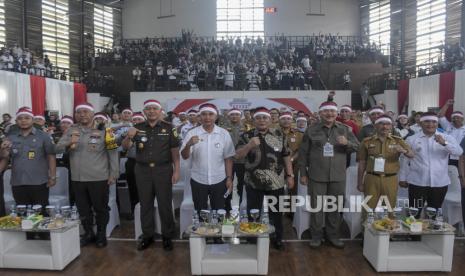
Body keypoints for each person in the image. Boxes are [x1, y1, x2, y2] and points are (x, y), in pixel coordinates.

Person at [56, 103, 119, 248]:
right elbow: (56, 147)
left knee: (101, 208)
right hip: (77, 178)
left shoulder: (106, 130)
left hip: (99, 177)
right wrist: (68, 142)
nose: (82, 114)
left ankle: (101, 234)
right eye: (79, 112)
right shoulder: (72, 130)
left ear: (92, 113)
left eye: (85, 111)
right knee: (83, 208)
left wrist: (113, 174)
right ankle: (89, 232)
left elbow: (113, 153)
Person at [298, 101, 359, 249]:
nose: (329, 114)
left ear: (336, 113)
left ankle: (333, 235)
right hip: (316, 175)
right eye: (326, 111)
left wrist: (347, 144)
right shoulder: (311, 130)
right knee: (316, 207)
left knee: (335, 207)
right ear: (320, 113)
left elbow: (359, 147)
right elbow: (303, 153)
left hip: (338, 175)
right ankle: (316, 236)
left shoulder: (345, 130)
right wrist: (303, 174)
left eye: (332, 111)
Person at [123, 99, 180, 251]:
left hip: (163, 170)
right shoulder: (137, 127)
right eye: (148, 109)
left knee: (165, 204)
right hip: (142, 170)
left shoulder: (170, 128)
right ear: (144, 112)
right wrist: (129, 136)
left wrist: (177, 170)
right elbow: (125, 148)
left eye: (154, 108)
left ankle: (167, 236)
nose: (151, 111)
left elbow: (175, 151)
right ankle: (147, 235)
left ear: (160, 111)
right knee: (145, 203)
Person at [235, 107, 294, 250]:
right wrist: (249, 145)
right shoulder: (246, 136)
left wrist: (290, 175)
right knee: (253, 212)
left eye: (265, 117)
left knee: (276, 213)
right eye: (258, 118)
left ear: (270, 119)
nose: (262, 120)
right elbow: (237, 156)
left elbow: (286, 156)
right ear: (254, 120)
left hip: (276, 182)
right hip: (253, 182)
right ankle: (253, 238)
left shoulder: (280, 135)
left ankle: (277, 238)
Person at [399, 112, 463, 217]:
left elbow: (459, 152)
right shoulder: (412, 139)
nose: (430, 124)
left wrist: (444, 143)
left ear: (437, 123)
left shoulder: (446, 138)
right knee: (414, 213)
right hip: (418, 183)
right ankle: (414, 233)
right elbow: (405, 160)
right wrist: (402, 178)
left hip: (439, 183)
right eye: (427, 121)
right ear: (420, 123)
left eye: (434, 122)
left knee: (433, 214)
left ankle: (430, 233)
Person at [180, 103, 235, 212]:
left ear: (216, 116)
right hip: (198, 180)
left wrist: (229, 178)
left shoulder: (224, 134)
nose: (207, 117)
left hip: (219, 180)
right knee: (201, 213)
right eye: (204, 114)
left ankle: (218, 229)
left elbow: (228, 158)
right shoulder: (192, 133)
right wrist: (188, 145)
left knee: (219, 212)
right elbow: (184, 156)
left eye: (211, 114)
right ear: (199, 117)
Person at [0, 107, 56, 211]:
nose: (23, 120)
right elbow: (5, 156)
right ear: (16, 121)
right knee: (22, 215)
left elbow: (51, 156)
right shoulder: (11, 137)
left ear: (32, 120)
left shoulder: (43, 136)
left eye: (27, 118)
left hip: (39, 182)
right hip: (18, 182)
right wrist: (3, 149)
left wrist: (53, 176)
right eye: (20, 118)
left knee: (41, 215)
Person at [357, 115, 414, 215]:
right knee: (368, 209)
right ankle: (365, 230)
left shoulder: (398, 140)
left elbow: (412, 155)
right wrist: (360, 182)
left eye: (388, 124)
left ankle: (388, 229)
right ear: (375, 126)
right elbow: (362, 163)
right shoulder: (366, 142)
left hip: (390, 179)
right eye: (381, 124)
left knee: (389, 210)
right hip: (372, 178)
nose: (385, 127)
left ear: (391, 126)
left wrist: (403, 150)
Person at [223, 108, 247, 207]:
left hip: (242, 161)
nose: (234, 116)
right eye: (232, 115)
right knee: (227, 183)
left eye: (237, 114)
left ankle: (241, 204)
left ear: (240, 116)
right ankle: (227, 205)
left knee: (241, 184)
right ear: (229, 116)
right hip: (228, 160)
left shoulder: (246, 127)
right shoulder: (223, 128)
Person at [279, 111, 303, 198]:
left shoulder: (299, 134)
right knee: (278, 189)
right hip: (278, 165)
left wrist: (291, 159)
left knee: (293, 188)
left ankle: (290, 210)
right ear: (279, 120)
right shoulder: (273, 133)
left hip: (294, 165)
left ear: (292, 120)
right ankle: (278, 210)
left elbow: (301, 150)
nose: (286, 121)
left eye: (288, 119)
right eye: (283, 119)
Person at [437, 99, 465, 168]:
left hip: (462, 157)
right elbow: (440, 116)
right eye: (454, 118)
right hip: (448, 156)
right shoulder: (448, 125)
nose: (455, 119)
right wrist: (447, 105)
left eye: (458, 118)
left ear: (462, 119)